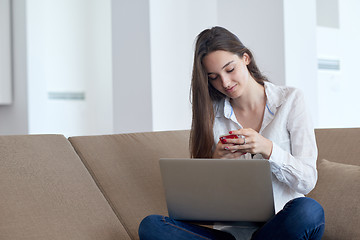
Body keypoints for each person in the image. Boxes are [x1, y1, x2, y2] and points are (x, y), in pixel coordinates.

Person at [138, 26, 325, 240]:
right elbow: (201, 203)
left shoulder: (291, 100)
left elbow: (308, 181)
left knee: (309, 211)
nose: (224, 83)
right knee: (151, 225)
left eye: (229, 69)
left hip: (280, 227)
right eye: (214, 77)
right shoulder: (211, 115)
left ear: (245, 58)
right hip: (233, 234)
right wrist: (216, 162)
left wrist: (268, 149)